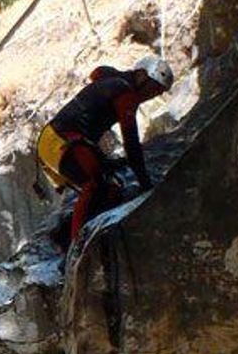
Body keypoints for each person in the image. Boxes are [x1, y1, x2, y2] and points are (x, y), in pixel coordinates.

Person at [36, 55, 174, 248]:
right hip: (62, 140)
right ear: (142, 76)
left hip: (53, 140)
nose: (151, 95)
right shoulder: (125, 93)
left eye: (157, 93)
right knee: (94, 183)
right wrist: (145, 184)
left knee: (110, 192)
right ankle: (76, 245)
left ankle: (64, 237)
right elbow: (131, 141)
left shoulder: (114, 81)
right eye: (153, 89)